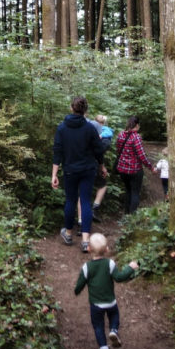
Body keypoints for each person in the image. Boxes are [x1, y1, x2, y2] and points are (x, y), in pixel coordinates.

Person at [73, 232, 138, 349]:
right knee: (114, 316)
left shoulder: (87, 267)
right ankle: (113, 330)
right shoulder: (110, 264)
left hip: (96, 305)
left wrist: (77, 291)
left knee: (98, 326)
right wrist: (130, 268)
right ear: (107, 249)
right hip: (111, 303)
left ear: (88, 248)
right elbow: (119, 278)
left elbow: (80, 283)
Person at [52, 96, 104, 252]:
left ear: (71, 108)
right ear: (85, 110)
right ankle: (86, 241)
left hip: (69, 170)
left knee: (70, 200)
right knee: (86, 202)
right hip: (88, 169)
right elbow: (98, 150)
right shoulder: (90, 129)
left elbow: (57, 152)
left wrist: (54, 174)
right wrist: (102, 165)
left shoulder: (62, 128)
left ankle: (68, 234)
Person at [78, 114, 114, 223]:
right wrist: (101, 166)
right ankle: (94, 208)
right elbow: (100, 152)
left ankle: (81, 220)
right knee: (102, 186)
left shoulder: (83, 130)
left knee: (82, 194)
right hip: (93, 165)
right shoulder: (105, 134)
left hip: (79, 164)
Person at [115, 116, 151, 215]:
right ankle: (132, 217)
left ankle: (126, 214)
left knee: (128, 191)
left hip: (122, 169)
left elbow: (118, 150)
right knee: (135, 192)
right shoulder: (136, 137)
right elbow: (141, 155)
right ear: (137, 125)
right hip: (135, 170)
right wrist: (150, 166)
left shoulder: (121, 135)